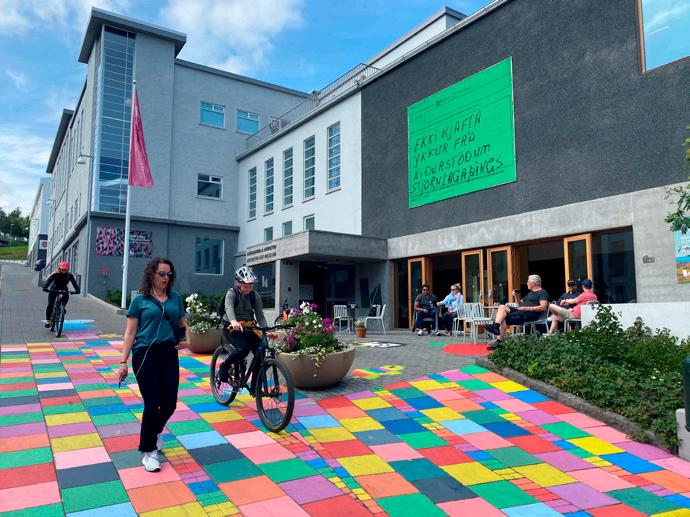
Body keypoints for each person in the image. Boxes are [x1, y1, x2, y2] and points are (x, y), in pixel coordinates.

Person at [116, 258, 189, 473]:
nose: (166, 278)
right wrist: (123, 361)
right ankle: (149, 452)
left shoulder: (175, 298)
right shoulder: (140, 300)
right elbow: (130, 333)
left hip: (169, 353)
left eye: (169, 274)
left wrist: (186, 340)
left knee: (170, 404)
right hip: (145, 354)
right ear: (152, 274)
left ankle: (155, 431)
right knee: (152, 403)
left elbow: (182, 323)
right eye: (162, 274)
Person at [218, 266, 274, 384]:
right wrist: (233, 321)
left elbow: (260, 315)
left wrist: (267, 330)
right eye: (245, 286)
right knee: (243, 349)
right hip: (231, 327)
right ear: (238, 283)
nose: (248, 289)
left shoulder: (255, 296)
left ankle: (255, 386)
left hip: (248, 326)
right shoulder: (231, 293)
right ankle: (225, 365)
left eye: (250, 286)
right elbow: (228, 307)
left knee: (261, 351)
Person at [485, 274, 549, 350]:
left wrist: (527, 308)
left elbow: (543, 307)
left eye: (528, 282)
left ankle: (499, 341)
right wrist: (516, 296)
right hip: (522, 311)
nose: (527, 283)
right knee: (502, 307)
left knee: (504, 318)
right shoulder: (530, 293)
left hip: (530, 314)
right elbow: (520, 304)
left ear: (533, 283)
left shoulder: (542, 292)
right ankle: (496, 326)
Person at [42, 261, 80, 327]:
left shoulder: (69, 275)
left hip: (64, 288)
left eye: (65, 269)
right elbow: (49, 281)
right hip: (54, 289)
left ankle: (62, 307)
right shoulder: (55, 274)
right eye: (62, 269)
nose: (64, 270)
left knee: (66, 297)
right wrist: (45, 287)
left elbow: (74, 283)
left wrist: (77, 290)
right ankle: (48, 321)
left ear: (67, 269)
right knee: (50, 305)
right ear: (59, 268)